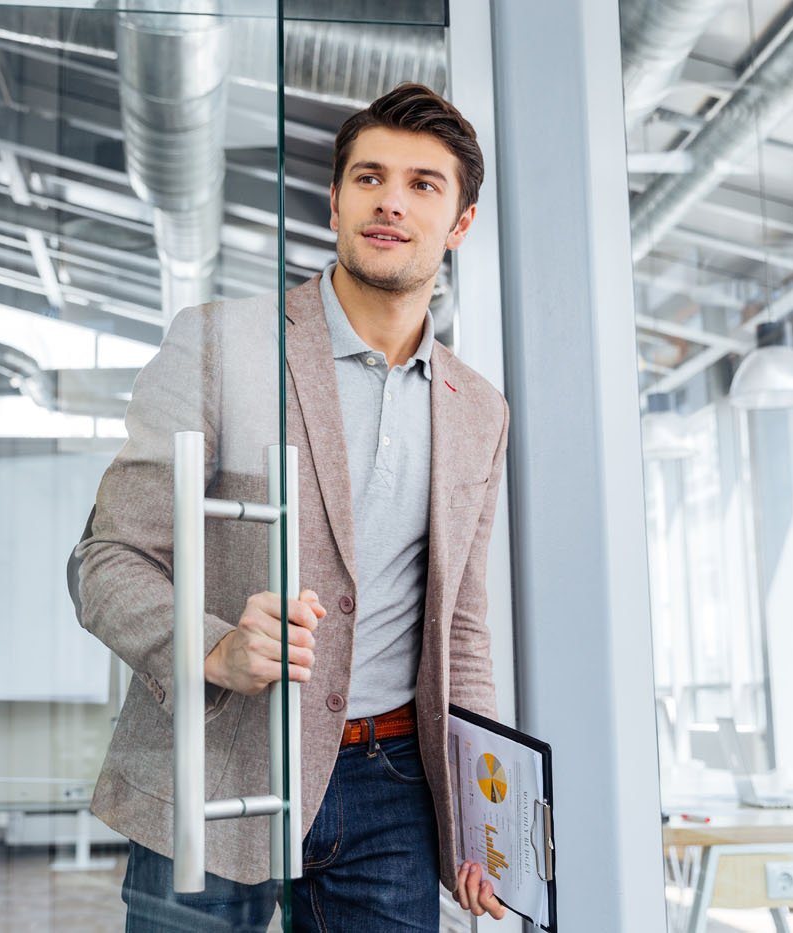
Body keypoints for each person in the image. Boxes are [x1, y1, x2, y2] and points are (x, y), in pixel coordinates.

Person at [71, 83, 509, 931]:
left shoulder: (476, 408)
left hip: (391, 792)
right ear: (336, 201)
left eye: (424, 184)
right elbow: (107, 560)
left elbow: (460, 628)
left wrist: (480, 812)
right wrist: (216, 649)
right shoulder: (221, 343)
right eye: (370, 177)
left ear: (460, 223)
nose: (391, 200)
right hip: (215, 763)